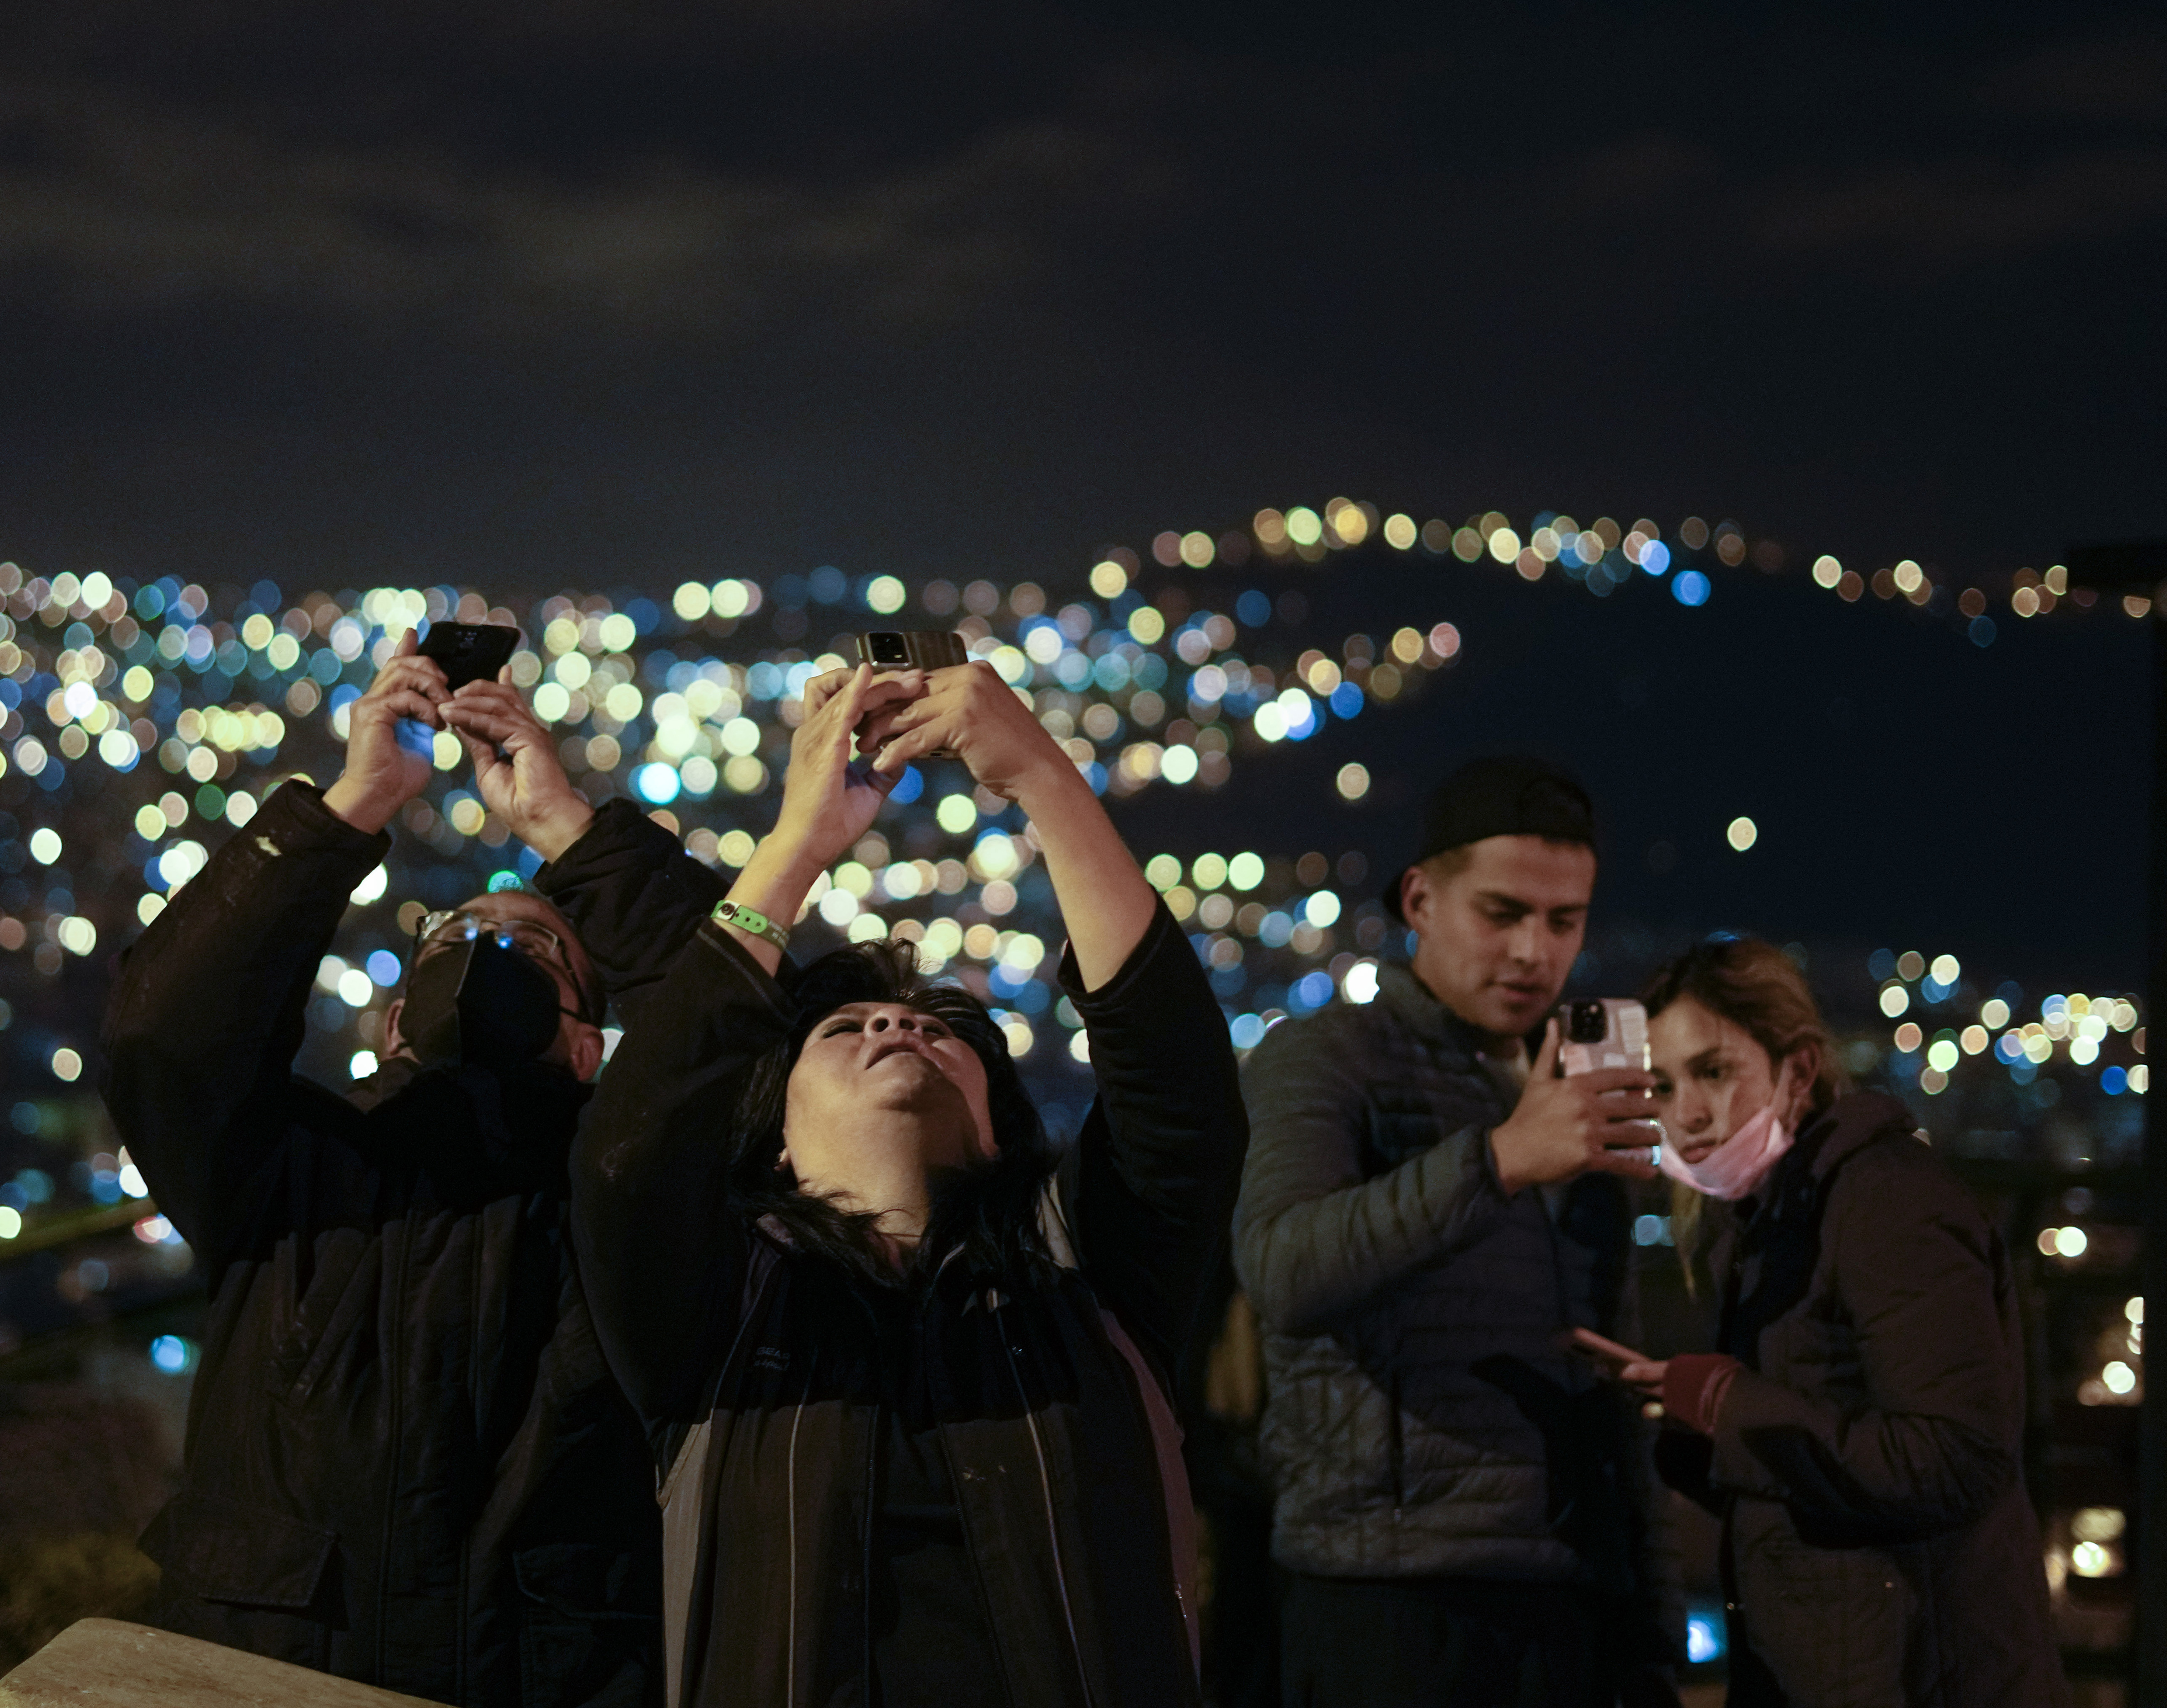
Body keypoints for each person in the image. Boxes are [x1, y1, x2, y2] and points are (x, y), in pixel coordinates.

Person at [572, 660, 1244, 1708]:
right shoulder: (715, 1315)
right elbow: (633, 1147)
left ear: (996, 1127)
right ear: (777, 1140)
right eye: (845, 1027)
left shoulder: (1089, 1288)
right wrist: (796, 847)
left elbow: (1178, 1081)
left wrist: (1041, 777)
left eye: (937, 1029)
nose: (894, 1023)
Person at [98, 629, 726, 1707]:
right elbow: (163, 1033)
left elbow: (734, 1041)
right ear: (394, 1025)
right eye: (457, 938)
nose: (489, 954)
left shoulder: (623, 1199)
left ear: (590, 1048)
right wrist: (353, 805)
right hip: (270, 1675)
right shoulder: (291, 1167)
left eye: (537, 950)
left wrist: (566, 828)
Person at [1233, 755, 1679, 1708]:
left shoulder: (1572, 1083)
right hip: (1387, 1592)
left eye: (1564, 921)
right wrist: (1502, 1158)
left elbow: (1612, 1364)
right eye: (1503, 912)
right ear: (1421, 900)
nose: (1534, 952)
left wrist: (1652, 1633)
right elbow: (1283, 1270)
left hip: (1569, 1592)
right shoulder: (1330, 1055)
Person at [1577, 936, 2064, 1706]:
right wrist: (1688, 1430)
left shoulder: (1883, 1200)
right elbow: (1823, 1462)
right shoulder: (1771, 1219)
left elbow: (1956, 1458)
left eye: (1714, 1071)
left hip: (1923, 1679)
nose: (1688, 1114)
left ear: (1798, 1070)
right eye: (1661, 1087)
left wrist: (1727, 1403)